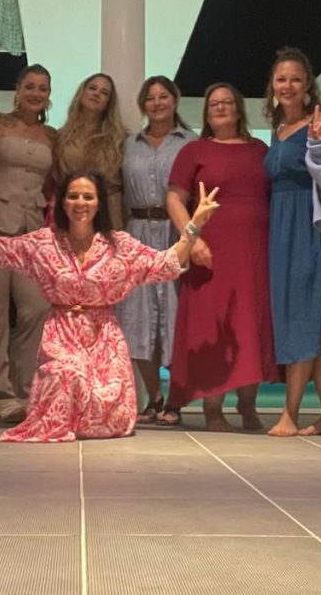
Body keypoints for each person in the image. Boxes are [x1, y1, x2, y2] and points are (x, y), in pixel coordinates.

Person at [0, 168, 220, 442]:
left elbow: (165, 263)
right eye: (73, 196)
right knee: (66, 374)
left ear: (99, 203)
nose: (80, 203)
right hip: (61, 336)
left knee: (108, 414)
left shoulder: (119, 245)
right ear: (62, 202)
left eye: (88, 197)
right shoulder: (44, 243)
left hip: (104, 340)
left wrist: (194, 225)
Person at [161, 83, 277, 431]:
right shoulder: (194, 150)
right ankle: (213, 408)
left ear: (239, 109)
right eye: (214, 104)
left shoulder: (259, 150)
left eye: (227, 102)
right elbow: (174, 198)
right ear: (206, 113)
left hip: (255, 251)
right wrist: (191, 238)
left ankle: (248, 404)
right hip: (209, 252)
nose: (221, 107)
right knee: (211, 327)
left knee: (250, 324)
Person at [262, 47, 321, 437]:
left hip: (311, 227)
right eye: (281, 79)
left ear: (308, 84)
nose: (288, 85)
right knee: (305, 318)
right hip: (281, 228)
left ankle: (290, 413)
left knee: (304, 315)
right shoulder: (278, 130)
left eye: (295, 78)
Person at [0, 64, 56, 425]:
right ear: (18, 89)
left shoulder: (51, 136)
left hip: (31, 231)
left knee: (36, 308)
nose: (35, 93)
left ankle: (25, 390)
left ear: (48, 95)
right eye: (30, 86)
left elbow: (53, 184)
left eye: (42, 88)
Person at [118, 76, 197, 423]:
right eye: (150, 98)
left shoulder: (191, 142)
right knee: (137, 316)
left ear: (175, 100)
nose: (157, 103)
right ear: (142, 104)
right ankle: (155, 397)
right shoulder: (128, 144)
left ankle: (176, 399)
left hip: (176, 233)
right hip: (137, 233)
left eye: (163, 96)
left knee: (177, 314)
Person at [54, 73, 128, 229]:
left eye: (104, 92)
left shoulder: (120, 138)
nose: (96, 94)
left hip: (109, 211)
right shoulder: (61, 136)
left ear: (109, 102)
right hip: (72, 210)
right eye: (92, 88)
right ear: (82, 93)